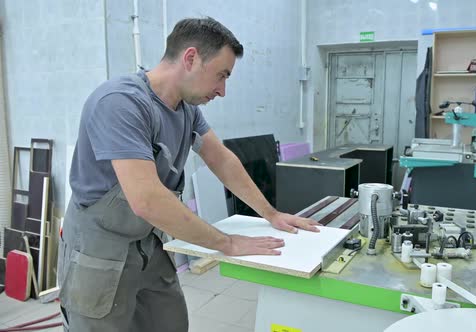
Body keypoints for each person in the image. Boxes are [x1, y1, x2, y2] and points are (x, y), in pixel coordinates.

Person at [58, 17, 320, 331]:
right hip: (101, 251)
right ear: (191, 58)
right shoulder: (121, 103)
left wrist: (271, 214)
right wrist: (227, 243)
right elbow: (147, 200)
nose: (222, 90)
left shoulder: (186, 109)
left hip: (148, 241)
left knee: (170, 323)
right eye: (221, 75)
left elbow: (221, 159)